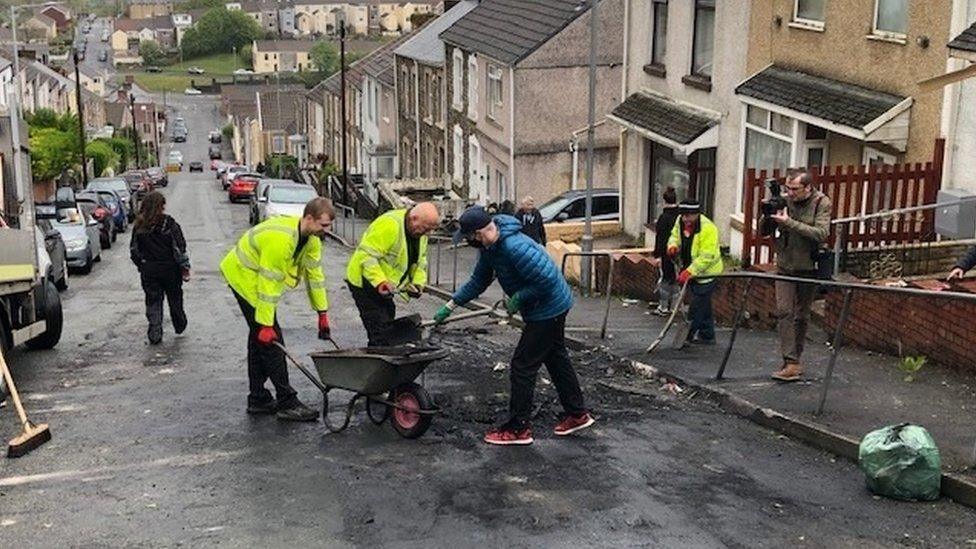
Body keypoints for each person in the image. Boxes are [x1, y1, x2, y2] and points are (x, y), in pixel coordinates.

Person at [433, 206, 594, 446]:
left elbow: (548, 280)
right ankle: (577, 414)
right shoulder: (491, 248)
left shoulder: (515, 247)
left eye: (468, 237)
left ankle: (519, 428)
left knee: (522, 366)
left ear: (478, 233)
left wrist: (519, 298)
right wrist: (452, 304)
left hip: (549, 308)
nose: (467, 242)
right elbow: (479, 280)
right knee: (555, 358)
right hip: (546, 308)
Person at [220, 196, 335, 421]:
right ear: (309, 218)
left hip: (257, 279)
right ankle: (286, 401)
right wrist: (265, 323)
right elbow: (268, 284)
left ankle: (258, 398)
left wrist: (322, 313)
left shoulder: (311, 240)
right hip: (243, 276)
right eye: (323, 225)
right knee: (272, 342)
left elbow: (316, 277)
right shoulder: (281, 241)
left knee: (258, 341)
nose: (326, 231)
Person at [760, 170, 831, 382]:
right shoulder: (783, 201)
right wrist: (768, 214)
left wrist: (788, 222)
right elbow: (763, 231)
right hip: (784, 265)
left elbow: (821, 233)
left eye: (795, 190)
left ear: (808, 188)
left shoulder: (821, 203)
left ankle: (795, 360)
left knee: (802, 315)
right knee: (783, 311)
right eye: (788, 189)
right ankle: (790, 361)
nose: (790, 194)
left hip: (808, 266)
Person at [346, 202, 440, 346]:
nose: (427, 234)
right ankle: (377, 360)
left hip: (386, 286)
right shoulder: (389, 224)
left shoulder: (420, 233)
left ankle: (383, 356)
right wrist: (380, 282)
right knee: (378, 326)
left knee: (388, 318)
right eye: (425, 229)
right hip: (365, 281)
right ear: (414, 218)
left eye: (430, 230)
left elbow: (420, 262)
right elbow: (367, 257)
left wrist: (417, 284)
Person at [129, 191, 189, 345]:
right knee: (175, 298)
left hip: (149, 269)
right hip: (170, 269)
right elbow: (179, 246)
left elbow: (134, 250)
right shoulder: (169, 223)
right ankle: (179, 322)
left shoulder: (139, 226)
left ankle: (155, 331)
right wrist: (184, 266)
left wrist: (141, 264)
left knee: (153, 301)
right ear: (161, 206)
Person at [667, 199, 722, 346]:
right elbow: (674, 236)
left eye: (689, 216)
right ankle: (707, 335)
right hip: (691, 269)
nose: (685, 219)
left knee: (697, 306)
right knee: (704, 305)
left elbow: (707, 256)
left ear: (697, 214)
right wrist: (672, 246)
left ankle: (687, 336)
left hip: (707, 273)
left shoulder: (708, 228)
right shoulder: (680, 221)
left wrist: (689, 272)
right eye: (683, 215)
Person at [650, 187, 680, 315]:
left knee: (666, 279)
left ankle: (663, 307)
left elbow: (660, 238)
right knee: (677, 279)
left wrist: (657, 255)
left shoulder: (664, 217)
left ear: (664, 201)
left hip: (667, 253)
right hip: (679, 253)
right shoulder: (680, 216)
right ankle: (674, 307)